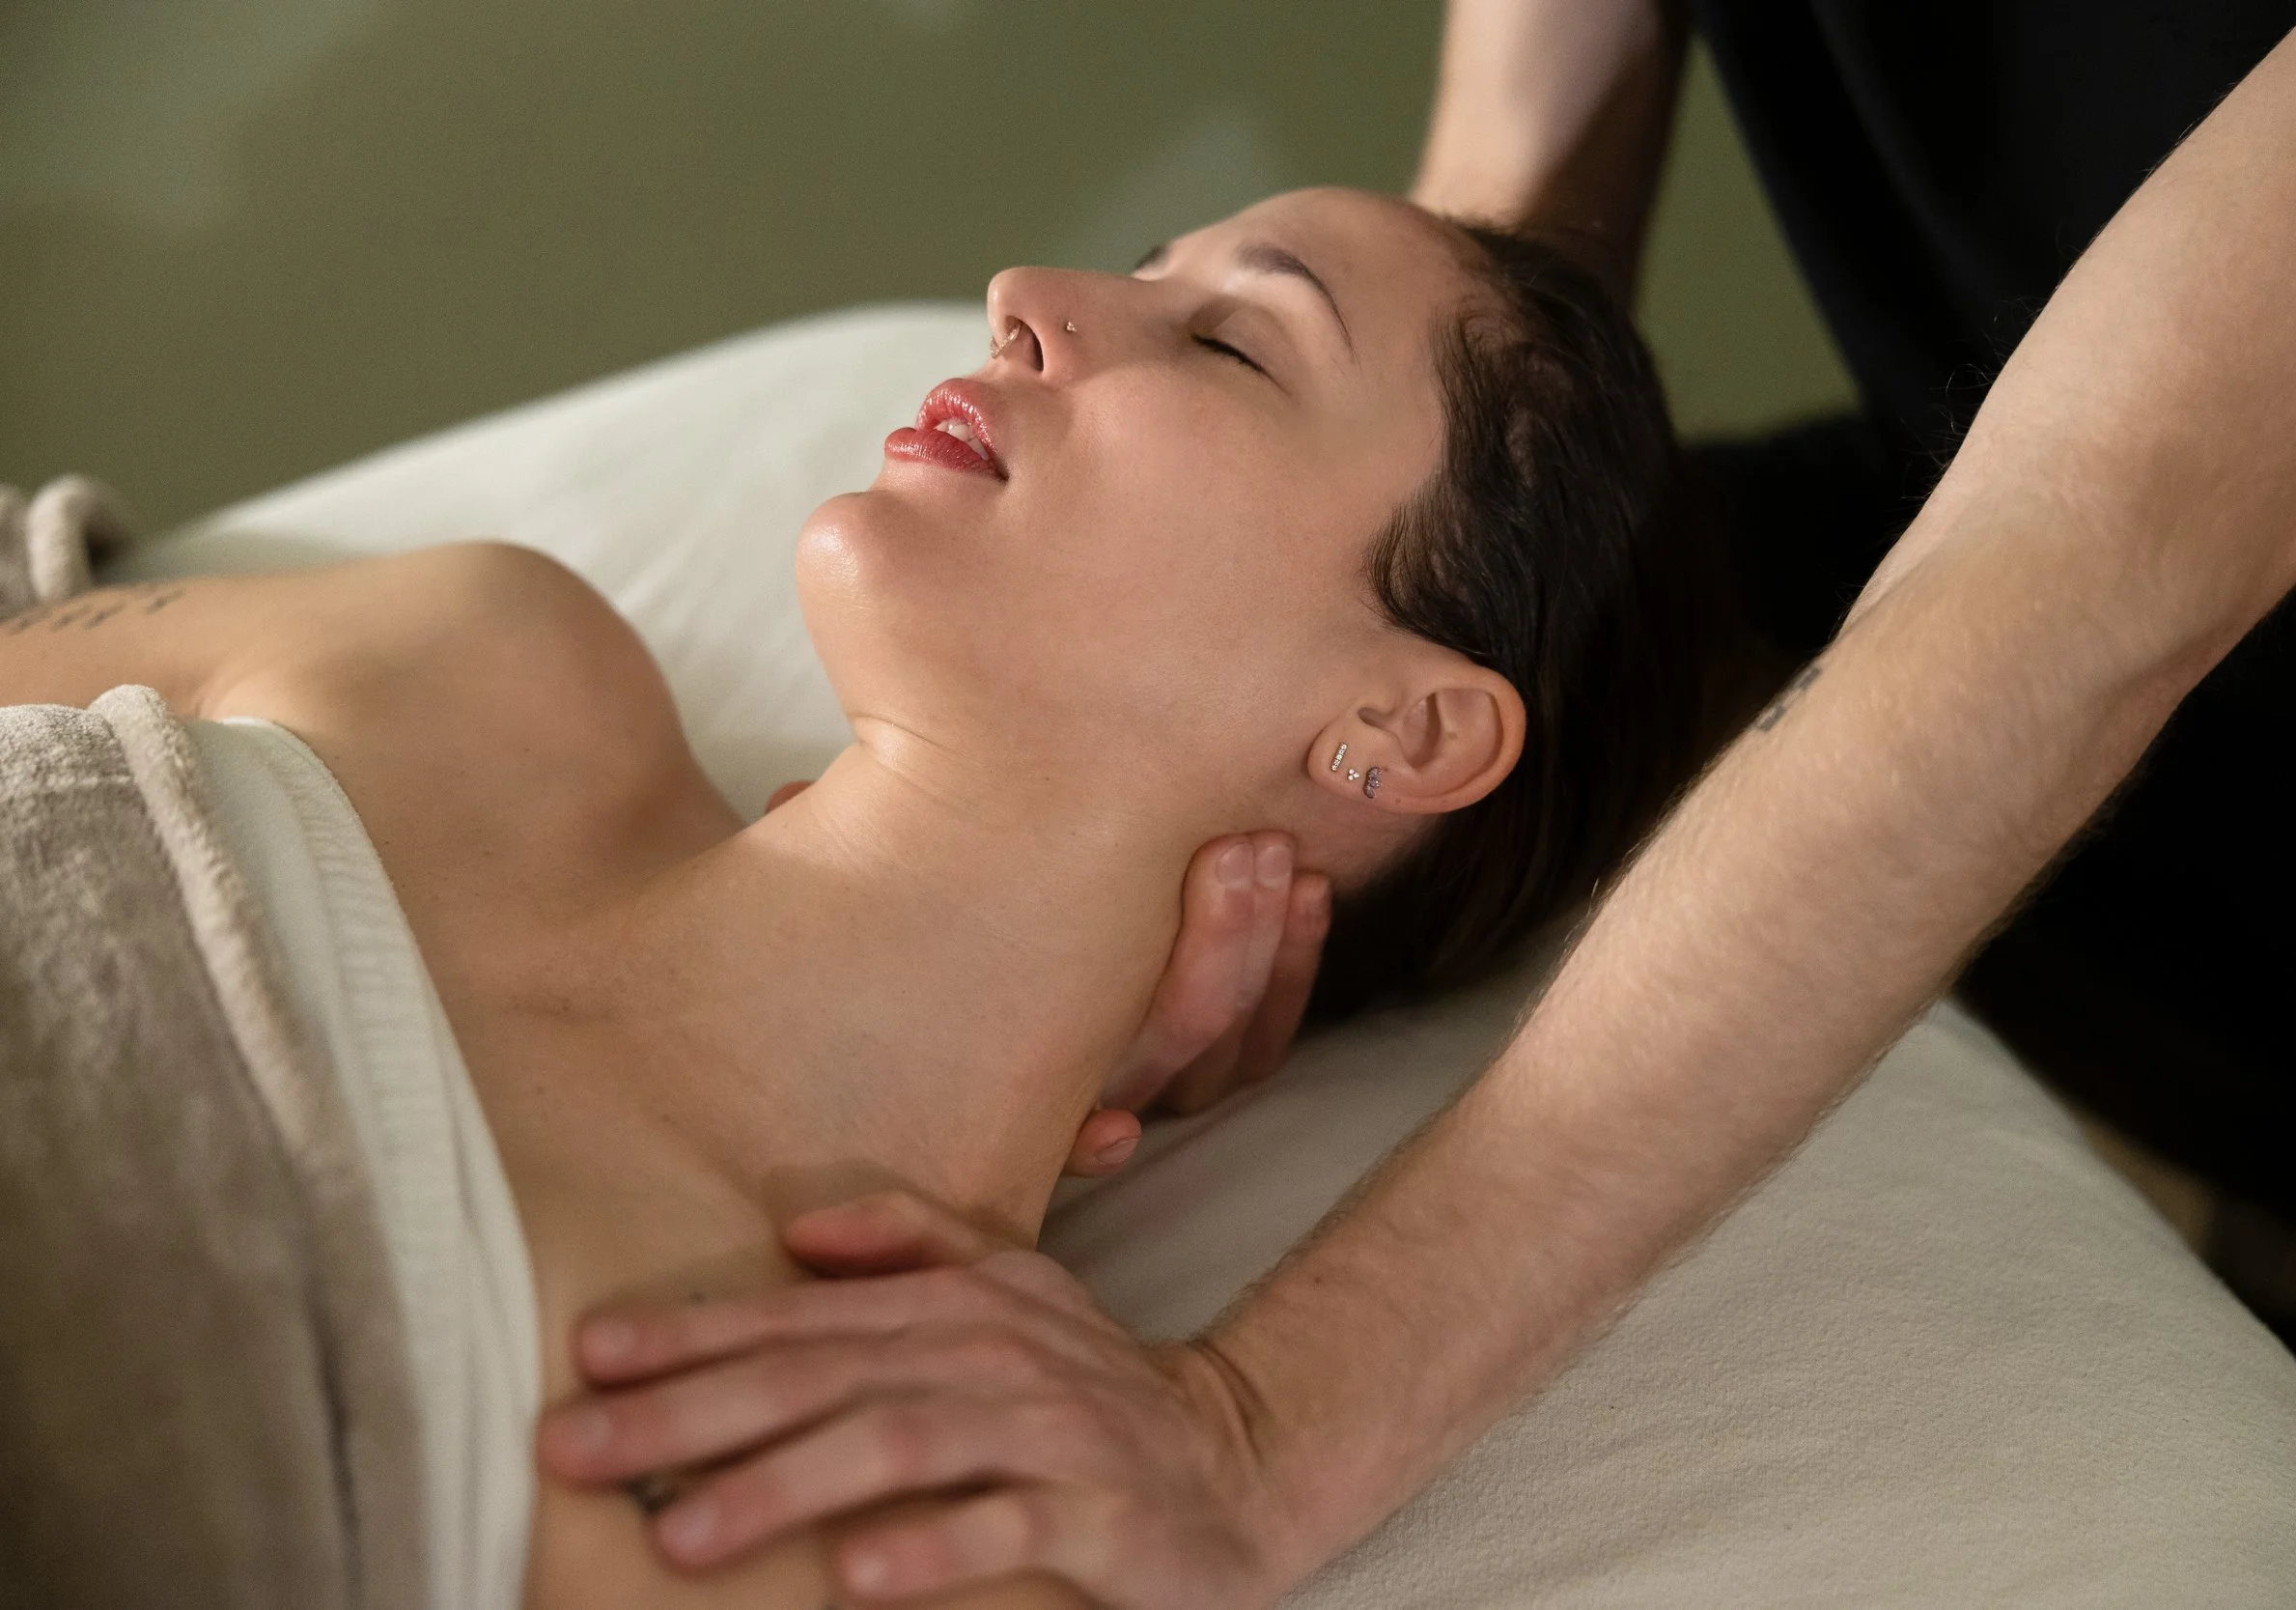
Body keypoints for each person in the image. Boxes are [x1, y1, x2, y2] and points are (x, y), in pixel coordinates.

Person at [534, 2, 2296, 1605]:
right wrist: (1251, 816)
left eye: (1213, 330)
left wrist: (1258, 1428)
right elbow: (1498, 286)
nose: (1025, 292)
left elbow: (2095, 555)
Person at [0, 187, 1737, 1605]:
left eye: (1229, 339)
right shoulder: (485, 666)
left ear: (1403, 725)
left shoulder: (868, 1519)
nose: (1021, 290)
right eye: (1144, 267)